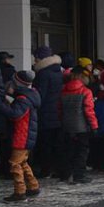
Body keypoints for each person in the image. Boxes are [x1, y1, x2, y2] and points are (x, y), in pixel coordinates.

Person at [0, 70, 41, 201]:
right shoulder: (31, 96)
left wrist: (1, 104)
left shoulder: (23, 100)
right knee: (22, 162)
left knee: (14, 163)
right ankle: (33, 186)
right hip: (26, 136)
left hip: (22, 136)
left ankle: (19, 191)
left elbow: (14, 115)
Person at [59, 65, 98, 183]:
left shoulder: (63, 90)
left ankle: (66, 174)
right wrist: (94, 126)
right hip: (82, 127)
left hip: (67, 125)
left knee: (68, 150)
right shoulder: (86, 91)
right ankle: (79, 175)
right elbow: (89, 111)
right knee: (82, 151)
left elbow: (59, 109)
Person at [33, 45, 64, 178]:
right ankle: (58, 169)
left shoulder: (43, 73)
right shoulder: (58, 71)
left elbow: (40, 95)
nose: (34, 61)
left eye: (36, 58)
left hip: (46, 113)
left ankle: (46, 169)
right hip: (58, 112)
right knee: (57, 143)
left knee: (45, 143)